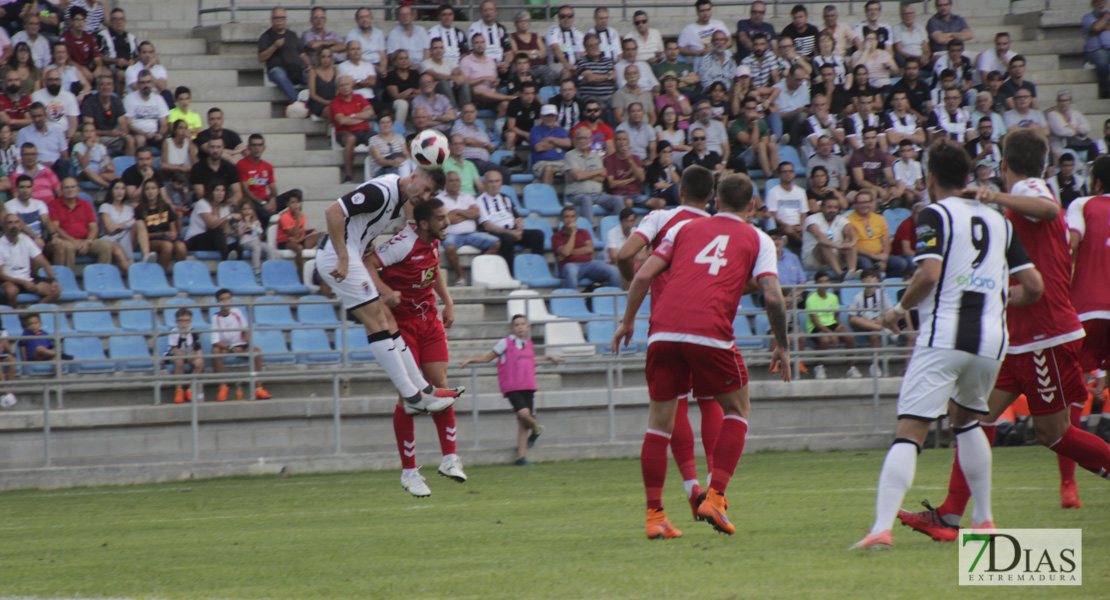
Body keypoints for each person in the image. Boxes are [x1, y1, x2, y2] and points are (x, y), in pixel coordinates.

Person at [853, 140, 1043, 549]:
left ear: (930, 178)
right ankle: (985, 520)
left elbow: (928, 274)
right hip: (991, 342)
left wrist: (896, 310)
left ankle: (881, 528)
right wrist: (999, 298)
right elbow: (1033, 287)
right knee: (968, 421)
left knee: (911, 429)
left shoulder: (934, 214)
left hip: (945, 336)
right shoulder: (1000, 221)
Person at [613, 171, 789, 539]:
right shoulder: (757, 238)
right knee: (737, 410)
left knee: (657, 423)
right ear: (752, 206)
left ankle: (655, 516)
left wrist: (627, 322)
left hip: (662, 330)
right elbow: (771, 295)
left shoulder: (681, 230)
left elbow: (642, 275)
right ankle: (715, 495)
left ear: (718, 201)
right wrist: (782, 344)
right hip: (709, 332)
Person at [615, 165, 724, 516]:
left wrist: (628, 287)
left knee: (669, 408)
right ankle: (713, 486)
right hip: (708, 325)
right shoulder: (721, 227)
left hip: (665, 324)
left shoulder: (661, 217)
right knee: (712, 401)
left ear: (680, 192)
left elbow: (624, 255)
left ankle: (690, 485)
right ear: (712, 196)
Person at [316, 167, 463, 414]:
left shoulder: (400, 198)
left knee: (387, 319)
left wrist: (365, 240)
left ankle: (422, 389)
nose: (425, 197)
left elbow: (361, 223)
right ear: (414, 175)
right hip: (336, 256)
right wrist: (343, 256)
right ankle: (412, 394)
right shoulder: (381, 192)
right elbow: (333, 212)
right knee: (377, 320)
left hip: (350, 253)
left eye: (432, 193)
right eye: (426, 189)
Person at [361, 198, 467, 494]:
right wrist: (385, 291)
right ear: (423, 223)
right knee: (408, 399)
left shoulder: (433, 239)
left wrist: (447, 300)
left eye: (446, 217)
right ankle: (409, 473)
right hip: (402, 324)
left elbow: (433, 270)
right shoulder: (401, 244)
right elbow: (368, 262)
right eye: (441, 218)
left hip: (429, 320)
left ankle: (449, 459)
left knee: (440, 386)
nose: (447, 222)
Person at [461, 315, 562, 465]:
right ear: (512, 328)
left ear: (527, 327)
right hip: (512, 386)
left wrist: (547, 357)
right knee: (524, 414)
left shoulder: (528, 344)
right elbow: (488, 358)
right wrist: (471, 360)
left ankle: (521, 457)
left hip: (528, 385)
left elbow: (529, 360)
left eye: (522, 324)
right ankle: (536, 429)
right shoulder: (505, 343)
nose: (520, 327)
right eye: (517, 325)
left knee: (522, 422)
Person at [1067, 157, 1110, 441]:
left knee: (1072, 383)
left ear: (1095, 182)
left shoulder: (1082, 205)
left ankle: (1071, 469)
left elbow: (1069, 248)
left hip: (1086, 309)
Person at [438, 170, 499, 286]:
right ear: (446, 182)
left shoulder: (468, 196)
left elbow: (476, 213)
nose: (454, 183)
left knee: (496, 243)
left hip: (471, 234)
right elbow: (447, 219)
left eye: (457, 180)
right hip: (451, 235)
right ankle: (461, 276)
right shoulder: (439, 199)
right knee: (450, 247)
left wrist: (457, 212)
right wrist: (466, 214)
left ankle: (478, 269)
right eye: (451, 180)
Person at [475, 170, 544, 273]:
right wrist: (510, 233)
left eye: (497, 181)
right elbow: (487, 225)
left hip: (512, 230)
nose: (494, 185)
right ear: (484, 184)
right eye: (491, 182)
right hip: (495, 233)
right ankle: (510, 274)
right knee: (508, 239)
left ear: (501, 183)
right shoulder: (479, 201)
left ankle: (537, 270)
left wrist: (519, 230)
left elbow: (518, 218)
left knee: (538, 235)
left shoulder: (505, 198)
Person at [211, 288, 271, 402]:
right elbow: (215, 341)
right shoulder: (216, 318)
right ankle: (223, 387)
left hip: (240, 345)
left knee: (257, 352)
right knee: (215, 351)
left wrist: (249, 345)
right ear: (218, 302)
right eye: (222, 299)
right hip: (226, 347)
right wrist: (231, 348)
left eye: (228, 298)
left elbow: (245, 331)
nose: (225, 302)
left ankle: (259, 388)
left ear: (231, 300)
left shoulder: (237, 312)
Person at [49, 177, 115, 269]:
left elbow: (94, 227)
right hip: (66, 240)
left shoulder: (86, 204)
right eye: (67, 187)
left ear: (78, 189)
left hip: (85, 240)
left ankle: (100, 278)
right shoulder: (54, 204)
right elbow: (55, 228)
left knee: (106, 246)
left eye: (73, 187)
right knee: (69, 246)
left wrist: (88, 242)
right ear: (61, 190)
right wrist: (73, 241)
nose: (70, 190)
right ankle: (69, 279)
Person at [805, 270, 860, 380]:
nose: (824, 284)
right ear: (816, 284)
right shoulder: (811, 299)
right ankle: (818, 366)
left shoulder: (833, 297)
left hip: (831, 324)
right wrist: (832, 334)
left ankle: (851, 368)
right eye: (821, 282)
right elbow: (816, 322)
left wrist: (841, 325)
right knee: (825, 340)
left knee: (850, 336)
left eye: (826, 281)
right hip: (816, 327)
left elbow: (835, 317)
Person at [550, 205, 619, 289]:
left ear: (576, 218)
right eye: (566, 217)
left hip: (589, 263)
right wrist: (573, 234)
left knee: (614, 271)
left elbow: (590, 249)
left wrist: (569, 252)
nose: (570, 220)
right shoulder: (556, 236)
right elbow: (565, 252)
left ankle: (613, 300)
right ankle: (573, 301)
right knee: (571, 271)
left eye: (572, 216)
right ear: (561, 219)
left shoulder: (584, 232)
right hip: (570, 265)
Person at [0, 211, 59, 306]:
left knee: (56, 290)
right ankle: (14, 318)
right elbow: (1, 275)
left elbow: (43, 261)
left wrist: (53, 279)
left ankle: (32, 314)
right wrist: (23, 282)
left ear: (20, 225)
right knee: (11, 291)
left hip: (28, 279)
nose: (14, 226)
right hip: (9, 280)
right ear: (4, 226)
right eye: (10, 223)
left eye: (16, 222)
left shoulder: (26, 239)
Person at [564, 128, 624, 219]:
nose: (582, 141)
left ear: (590, 140)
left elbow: (601, 179)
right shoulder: (570, 155)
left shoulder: (596, 156)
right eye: (580, 138)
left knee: (618, 199)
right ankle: (589, 229)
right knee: (586, 199)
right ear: (575, 140)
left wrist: (583, 174)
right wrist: (597, 171)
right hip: (577, 195)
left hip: (597, 194)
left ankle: (622, 227)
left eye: (585, 138)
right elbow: (579, 176)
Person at [258, 7, 310, 103]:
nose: (279, 20)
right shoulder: (266, 36)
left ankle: (307, 103)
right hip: (277, 70)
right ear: (272, 19)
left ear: (285, 19)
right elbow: (261, 58)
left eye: (282, 17)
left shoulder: (292, 35)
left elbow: (302, 54)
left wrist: (309, 65)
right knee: (280, 75)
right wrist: (274, 46)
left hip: (296, 69)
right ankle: (298, 103)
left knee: (310, 76)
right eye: (276, 18)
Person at [330, 75, 374, 184]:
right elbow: (342, 121)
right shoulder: (335, 103)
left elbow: (370, 113)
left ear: (352, 86)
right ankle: (349, 175)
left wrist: (352, 116)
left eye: (347, 84)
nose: (345, 87)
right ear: (338, 88)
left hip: (365, 131)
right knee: (350, 139)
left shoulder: (359, 97)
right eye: (342, 85)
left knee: (377, 139)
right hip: (344, 132)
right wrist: (361, 118)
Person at [98, 178, 153, 266]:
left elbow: (133, 223)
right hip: (109, 239)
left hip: (126, 237)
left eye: (123, 188)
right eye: (117, 188)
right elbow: (110, 230)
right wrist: (127, 224)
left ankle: (145, 256)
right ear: (111, 191)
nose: (120, 191)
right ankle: (133, 274)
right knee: (118, 250)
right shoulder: (105, 206)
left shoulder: (129, 208)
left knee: (139, 223)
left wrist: (120, 226)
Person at [135, 177, 186, 271]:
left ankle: (180, 275)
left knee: (181, 247)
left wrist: (173, 234)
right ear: (144, 192)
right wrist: (162, 234)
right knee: (167, 246)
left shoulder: (166, 207)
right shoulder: (139, 209)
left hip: (166, 237)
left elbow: (173, 229)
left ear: (158, 191)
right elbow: (141, 235)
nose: (150, 191)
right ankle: (160, 276)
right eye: (147, 189)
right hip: (150, 240)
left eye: (153, 188)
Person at [803, 196, 858, 280]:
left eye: (835, 207)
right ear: (822, 207)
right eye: (829, 207)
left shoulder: (841, 219)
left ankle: (851, 273)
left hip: (835, 257)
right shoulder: (811, 218)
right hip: (814, 259)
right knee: (824, 244)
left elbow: (851, 231)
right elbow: (818, 235)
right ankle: (840, 275)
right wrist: (837, 246)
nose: (833, 210)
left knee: (850, 244)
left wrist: (851, 243)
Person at [459, 33, 514, 117]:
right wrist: (484, 79)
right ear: (472, 45)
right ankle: (509, 97)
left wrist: (495, 83)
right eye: (477, 43)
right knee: (475, 90)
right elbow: (466, 83)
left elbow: (495, 81)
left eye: (482, 42)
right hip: (476, 98)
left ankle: (500, 128)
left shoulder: (491, 61)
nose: (480, 45)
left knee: (505, 105)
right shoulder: (466, 61)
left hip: (492, 97)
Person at [847, 268, 897, 358]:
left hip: (879, 320)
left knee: (875, 332)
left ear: (877, 280)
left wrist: (879, 318)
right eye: (866, 277)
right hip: (864, 324)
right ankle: (884, 330)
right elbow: (851, 317)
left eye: (872, 277)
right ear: (862, 281)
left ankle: (875, 364)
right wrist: (864, 320)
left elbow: (890, 310)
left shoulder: (882, 294)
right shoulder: (857, 296)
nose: (869, 279)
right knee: (854, 319)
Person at [849, 127, 903, 210]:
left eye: (873, 138)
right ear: (863, 140)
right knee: (873, 192)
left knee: (901, 184)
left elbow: (889, 177)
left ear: (877, 139)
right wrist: (879, 189)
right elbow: (859, 181)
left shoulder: (880, 154)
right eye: (867, 138)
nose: (870, 141)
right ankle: (874, 216)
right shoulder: (857, 156)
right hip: (861, 189)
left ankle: (890, 204)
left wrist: (893, 186)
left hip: (878, 185)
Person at [80, 74, 133, 156]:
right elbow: (88, 129)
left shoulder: (117, 102)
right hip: (97, 135)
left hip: (114, 136)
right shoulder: (89, 102)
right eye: (102, 84)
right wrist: (108, 133)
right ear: (97, 87)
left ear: (113, 87)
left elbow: (124, 127)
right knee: (93, 139)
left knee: (130, 140)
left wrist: (121, 133)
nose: (105, 87)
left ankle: (127, 166)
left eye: (108, 84)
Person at [727, 96, 775, 176]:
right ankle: (769, 176)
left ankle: (776, 174)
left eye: (753, 108)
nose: (751, 111)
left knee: (772, 145)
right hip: (743, 158)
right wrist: (755, 122)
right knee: (759, 146)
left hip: (760, 156)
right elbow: (752, 143)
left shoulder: (762, 123)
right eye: (748, 109)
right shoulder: (736, 125)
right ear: (742, 110)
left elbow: (765, 143)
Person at [276, 193, 322, 275]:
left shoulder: (302, 216)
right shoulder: (284, 216)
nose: (296, 205)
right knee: (299, 248)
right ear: (287, 204)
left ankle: (320, 267)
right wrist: (298, 220)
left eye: (297, 202)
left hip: (297, 240)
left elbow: (303, 234)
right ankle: (301, 275)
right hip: (285, 242)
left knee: (322, 235)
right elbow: (292, 235)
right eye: (293, 202)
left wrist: (298, 240)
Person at [165, 308, 204, 404]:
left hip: (188, 355)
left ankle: (191, 389)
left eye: (186, 320)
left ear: (190, 321)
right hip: (174, 356)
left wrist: (198, 357)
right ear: (176, 322)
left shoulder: (194, 333)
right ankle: (179, 390)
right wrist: (189, 354)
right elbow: (175, 351)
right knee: (179, 360)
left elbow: (198, 350)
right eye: (181, 321)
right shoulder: (174, 332)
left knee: (200, 362)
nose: (183, 323)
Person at [678, 0, 731, 71]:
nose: (706, 13)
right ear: (697, 12)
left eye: (708, 10)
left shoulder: (719, 24)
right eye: (702, 11)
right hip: (704, 67)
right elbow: (680, 49)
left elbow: (730, 41)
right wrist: (698, 52)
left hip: (725, 64)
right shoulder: (689, 29)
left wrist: (714, 48)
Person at [235, 134, 275, 227]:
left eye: (260, 145)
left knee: (294, 194)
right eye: (254, 145)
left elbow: (273, 188)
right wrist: (263, 203)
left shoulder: (267, 166)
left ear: (264, 148)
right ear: (248, 147)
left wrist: (272, 201)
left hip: (265, 200)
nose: (257, 148)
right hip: (251, 202)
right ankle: (264, 236)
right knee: (266, 214)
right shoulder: (242, 164)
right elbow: (246, 190)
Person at [123, 69, 169, 150]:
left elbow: (164, 123)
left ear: (152, 83)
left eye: (148, 82)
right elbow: (129, 124)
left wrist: (160, 134)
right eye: (142, 82)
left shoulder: (159, 99)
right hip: (137, 133)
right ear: (138, 84)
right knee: (141, 139)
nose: (146, 85)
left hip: (154, 134)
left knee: (168, 142)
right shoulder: (129, 98)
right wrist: (144, 134)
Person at [189, 138, 241, 209]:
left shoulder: (230, 168)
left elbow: (238, 192)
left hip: (225, 204)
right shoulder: (198, 167)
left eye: (218, 147)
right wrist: (217, 205)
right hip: (203, 204)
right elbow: (200, 194)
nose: (215, 150)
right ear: (208, 148)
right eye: (212, 147)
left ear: (223, 148)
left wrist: (233, 200)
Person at [467, 1, 512, 78]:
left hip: (501, 64)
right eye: (485, 10)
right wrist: (494, 65)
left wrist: (506, 64)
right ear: (481, 13)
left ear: (495, 11)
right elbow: (474, 53)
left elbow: (509, 52)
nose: (488, 13)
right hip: (483, 64)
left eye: (491, 10)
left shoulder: (500, 28)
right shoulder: (475, 28)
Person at [5, 174, 53, 247]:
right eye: (22, 187)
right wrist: (35, 237)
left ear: (33, 188)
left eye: (28, 187)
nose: (25, 190)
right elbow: (21, 224)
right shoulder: (9, 205)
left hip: (40, 242)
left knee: (59, 246)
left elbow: (47, 221)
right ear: (17, 189)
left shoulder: (39, 204)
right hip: (21, 243)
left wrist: (54, 235)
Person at [765, 162, 806, 244]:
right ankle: (803, 244)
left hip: (798, 226)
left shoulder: (801, 191)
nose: (788, 174)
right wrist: (789, 226)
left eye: (790, 172)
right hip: (782, 227)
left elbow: (804, 213)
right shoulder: (773, 192)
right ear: (779, 175)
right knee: (789, 229)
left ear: (794, 174)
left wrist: (802, 226)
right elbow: (773, 215)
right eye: (785, 172)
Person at [234, 200, 276, 280]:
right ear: (241, 211)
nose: (247, 211)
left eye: (249, 209)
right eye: (244, 209)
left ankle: (270, 269)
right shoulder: (240, 222)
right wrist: (246, 224)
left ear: (252, 211)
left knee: (269, 248)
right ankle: (256, 271)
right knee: (256, 248)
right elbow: (239, 235)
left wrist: (253, 226)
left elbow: (259, 233)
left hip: (256, 241)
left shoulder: (256, 222)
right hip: (245, 242)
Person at [574, 34, 617, 111]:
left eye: (596, 44)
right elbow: (590, 78)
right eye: (591, 45)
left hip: (609, 96)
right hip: (590, 97)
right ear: (586, 49)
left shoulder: (608, 61)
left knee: (620, 104)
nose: (595, 47)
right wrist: (607, 76)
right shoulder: (582, 61)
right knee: (600, 107)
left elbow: (614, 78)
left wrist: (596, 77)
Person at [30, 68, 77, 139]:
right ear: (45, 81)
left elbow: (73, 122)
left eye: (56, 79)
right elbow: (33, 120)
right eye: (51, 79)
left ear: (61, 81)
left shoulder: (70, 96)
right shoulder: (36, 96)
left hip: (64, 134)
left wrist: (68, 138)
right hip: (43, 134)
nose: (54, 82)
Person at [544, 5, 585, 84]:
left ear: (573, 18)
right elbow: (555, 48)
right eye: (563, 16)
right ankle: (565, 94)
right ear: (558, 18)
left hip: (575, 65)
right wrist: (567, 64)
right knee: (566, 72)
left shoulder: (577, 33)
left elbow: (582, 53)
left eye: (569, 16)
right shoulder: (553, 30)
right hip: (557, 64)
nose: (567, 19)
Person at [1047, 90, 1092, 159]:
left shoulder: (1075, 113)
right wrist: (1075, 130)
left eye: (1065, 100)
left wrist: (1074, 128)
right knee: (1071, 155)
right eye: (1060, 100)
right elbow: (1061, 131)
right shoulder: (1052, 115)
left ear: (1070, 102)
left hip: (1077, 145)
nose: (1063, 103)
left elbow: (1087, 128)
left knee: (1089, 154)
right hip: (1059, 147)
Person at [60, 7, 100, 83]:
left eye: (82, 20)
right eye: (77, 19)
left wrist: (99, 68)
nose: (80, 22)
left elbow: (97, 58)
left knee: (106, 74)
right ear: (71, 21)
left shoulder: (89, 37)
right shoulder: (65, 38)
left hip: (88, 69)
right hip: (71, 69)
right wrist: (82, 69)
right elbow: (67, 60)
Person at [345, 7, 388, 79]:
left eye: (367, 17)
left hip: (378, 64)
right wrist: (376, 68)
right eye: (361, 17)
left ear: (371, 18)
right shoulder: (352, 34)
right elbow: (353, 55)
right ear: (357, 20)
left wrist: (383, 68)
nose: (365, 20)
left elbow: (383, 54)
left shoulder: (379, 33)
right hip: (361, 65)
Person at [71, 121, 114, 189]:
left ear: (95, 133)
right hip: (84, 174)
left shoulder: (100, 147)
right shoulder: (78, 146)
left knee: (115, 177)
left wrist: (109, 167)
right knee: (87, 171)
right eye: (86, 131)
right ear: (82, 134)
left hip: (99, 173)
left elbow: (111, 166)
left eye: (92, 131)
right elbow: (84, 165)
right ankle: (108, 186)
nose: (89, 133)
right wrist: (89, 148)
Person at [338, 40, 379, 106]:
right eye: (353, 49)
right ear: (347, 51)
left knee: (387, 112)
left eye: (358, 49)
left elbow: (372, 82)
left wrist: (357, 81)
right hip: (353, 100)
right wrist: (365, 83)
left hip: (370, 98)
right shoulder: (342, 66)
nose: (356, 52)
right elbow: (347, 86)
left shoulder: (368, 65)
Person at [1084, 0, 1110, 99]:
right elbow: (1095, 28)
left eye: (1103, 1)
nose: (1100, 3)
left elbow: (1098, 27)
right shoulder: (1087, 17)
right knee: (1102, 60)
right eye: (1097, 1)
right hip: (1094, 51)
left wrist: (1101, 27)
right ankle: (1105, 90)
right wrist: (1106, 17)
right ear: (1093, 4)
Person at [503, 81, 540, 149]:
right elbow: (511, 127)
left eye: (532, 93)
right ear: (521, 94)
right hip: (513, 131)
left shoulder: (537, 105)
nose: (530, 96)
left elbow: (537, 124)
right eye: (527, 93)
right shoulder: (513, 104)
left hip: (529, 132)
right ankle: (509, 157)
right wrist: (526, 134)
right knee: (511, 135)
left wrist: (532, 135)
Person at [305, 47, 337, 120]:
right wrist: (327, 102)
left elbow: (338, 89)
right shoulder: (313, 72)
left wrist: (334, 102)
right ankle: (330, 131)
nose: (326, 59)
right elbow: (312, 94)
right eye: (323, 57)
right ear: (319, 57)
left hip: (333, 101)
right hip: (318, 103)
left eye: (328, 56)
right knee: (331, 111)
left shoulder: (336, 71)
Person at [892, 140, 925, 205]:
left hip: (914, 188)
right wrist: (915, 192)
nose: (906, 153)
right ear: (899, 152)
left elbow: (919, 182)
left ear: (912, 151)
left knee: (923, 194)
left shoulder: (917, 164)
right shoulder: (897, 165)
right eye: (903, 151)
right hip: (903, 189)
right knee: (909, 196)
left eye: (909, 150)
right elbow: (899, 183)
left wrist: (921, 190)